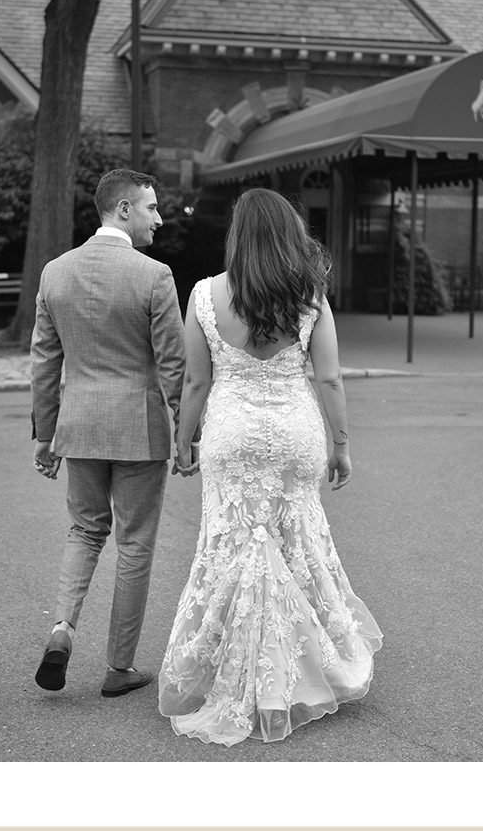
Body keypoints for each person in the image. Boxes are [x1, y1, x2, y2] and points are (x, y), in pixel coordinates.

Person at [158, 187, 381, 745]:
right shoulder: (309, 296)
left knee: (231, 544)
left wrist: (182, 440)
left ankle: (223, 673)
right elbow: (328, 378)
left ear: (238, 235)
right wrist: (342, 444)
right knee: (296, 541)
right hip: (293, 434)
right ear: (288, 235)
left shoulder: (206, 296)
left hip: (231, 435)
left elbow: (196, 380)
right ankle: (308, 670)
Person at [32, 168, 186, 698]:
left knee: (84, 531)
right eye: (151, 207)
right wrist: (188, 434)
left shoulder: (55, 272)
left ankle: (62, 628)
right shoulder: (154, 276)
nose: (159, 218)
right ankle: (119, 668)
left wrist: (44, 434)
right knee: (135, 544)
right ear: (123, 209)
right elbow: (173, 367)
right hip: (138, 430)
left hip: (79, 426)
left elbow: (44, 361)